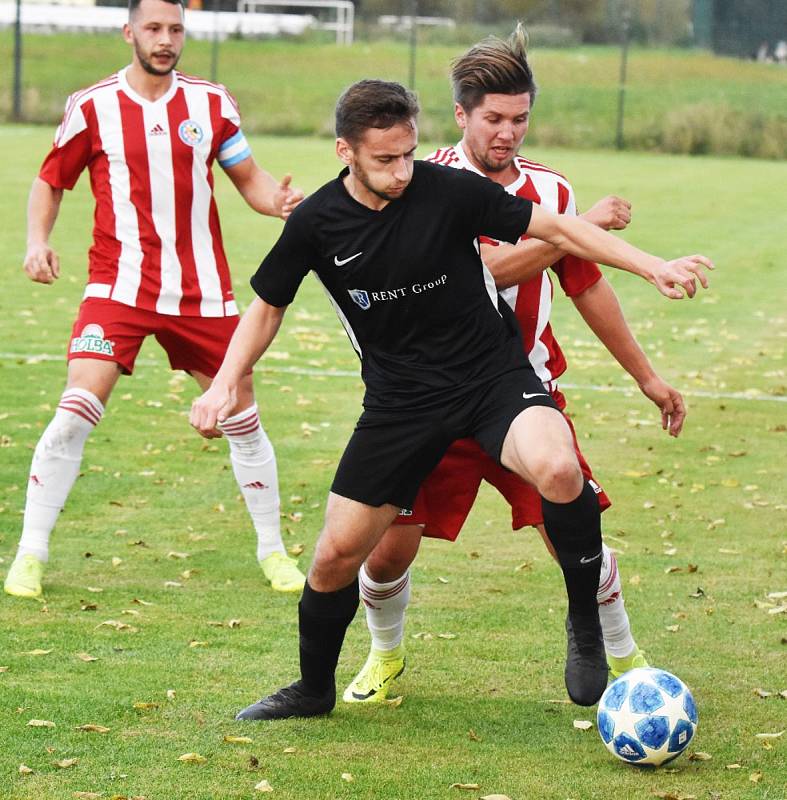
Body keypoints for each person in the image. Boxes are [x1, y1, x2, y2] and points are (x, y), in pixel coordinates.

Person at [190, 78, 712, 719]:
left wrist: (652, 265)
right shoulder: (316, 222)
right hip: (401, 405)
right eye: (385, 159)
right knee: (333, 557)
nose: (402, 170)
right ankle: (313, 689)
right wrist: (223, 384)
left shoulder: (448, 191)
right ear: (345, 152)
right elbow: (268, 306)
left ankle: (584, 627)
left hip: (492, 380)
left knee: (558, 465)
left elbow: (558, 229)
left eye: (408, 153)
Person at [343, 26, 678, 705]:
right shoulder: (420, 183)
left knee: (574, 532)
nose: (507, 132)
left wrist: (647, 377)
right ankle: (384, 656)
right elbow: (481, 271)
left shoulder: (551, 189)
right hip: (427, 400)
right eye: (493, 118)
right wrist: (569, 227)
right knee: (385, 552)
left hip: (518, 394)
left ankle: (624, 657)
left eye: (519, 119)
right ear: (461, 114)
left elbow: (584, 285)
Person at [3, 0, 306, 600]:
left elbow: (249, 179)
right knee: (74, 410)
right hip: (119, 287)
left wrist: (281, 202)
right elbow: (50, 180)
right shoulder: (92, 105)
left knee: (241, 419)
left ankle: (273, 552)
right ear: (130, 33)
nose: (166, 40)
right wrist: (37, 241)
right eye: (154, 29)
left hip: (203, 293)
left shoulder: (211, 103)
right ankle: (30, 555)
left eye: (175, 30)